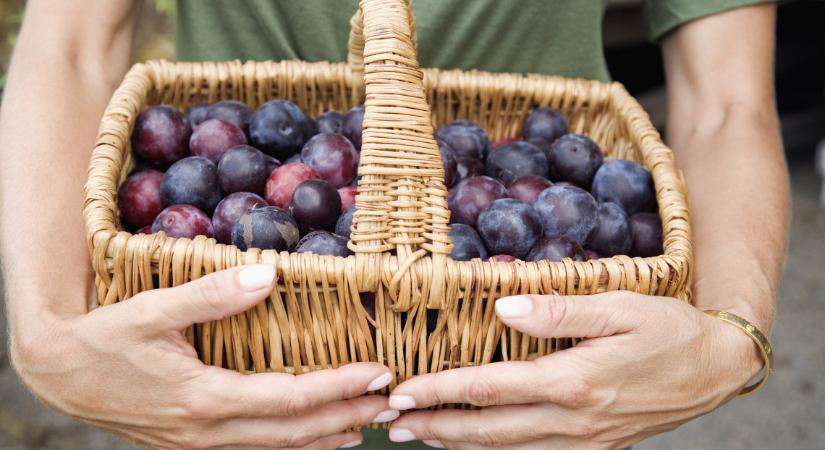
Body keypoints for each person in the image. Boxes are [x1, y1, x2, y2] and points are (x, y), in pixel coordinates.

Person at [0, 0, 788, 449]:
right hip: (223, 358)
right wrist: (43, 330)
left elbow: (726, 104)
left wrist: (732, 333)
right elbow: (70, 45)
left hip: (550, 373)